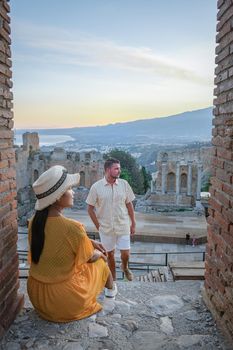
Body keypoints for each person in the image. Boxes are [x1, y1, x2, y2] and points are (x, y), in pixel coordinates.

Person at [27, 165, 116, 323]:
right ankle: (111, 291)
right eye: (69, 189)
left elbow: (53, 239)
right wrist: (99, 253)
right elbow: (89, 257)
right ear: (58, 197)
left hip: (37, 296)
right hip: (63, 301)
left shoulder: (34, 222)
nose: (73, 192)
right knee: (101, 260)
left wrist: (89, 241)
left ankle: (111, 290)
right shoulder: (73, 228)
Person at [86, 158, 136, 292]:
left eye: (119, 168)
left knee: (126, 253)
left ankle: (125, 267)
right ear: (108, 170)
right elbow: (90, 208)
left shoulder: (124, 184)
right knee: (110, 255)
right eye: (116, 168)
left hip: (123, 224)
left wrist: (133, 223)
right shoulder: (96, 187)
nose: (119, 171)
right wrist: (98, 226)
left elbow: (129, 204)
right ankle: (113, 281)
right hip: (106, 228)